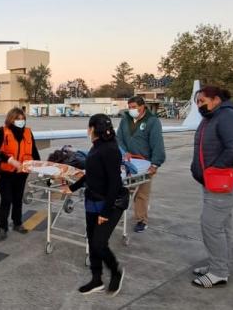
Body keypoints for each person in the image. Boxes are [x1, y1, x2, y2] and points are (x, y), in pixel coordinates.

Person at [62, 114, 128, 296]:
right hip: (92, 201)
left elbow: (115, 183)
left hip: (109, 204)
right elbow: (90, 173)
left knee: (99, 243)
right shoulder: (97, 146)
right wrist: (72, 187)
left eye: (88, 127)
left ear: (92, 129)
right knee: (92, 241)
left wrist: (105, 212)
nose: (87, 130)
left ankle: (115, 271)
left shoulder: (110, 149)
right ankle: (96, 279)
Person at [191, 86, 233, 288]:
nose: (199, 105)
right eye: (197, 102)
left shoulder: (227, 117)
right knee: (222, 226)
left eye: (202, 101)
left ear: (216, 99)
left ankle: (218, 272)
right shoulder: (212, 117)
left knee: (211, 225)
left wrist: (213, 170)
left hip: (224, 181)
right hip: (214, 182)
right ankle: (218, 265)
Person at [116, 96, 165, 233]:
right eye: (129, 107)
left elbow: (157, 143)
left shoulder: (152, 121)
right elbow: (119, 138)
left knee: (142, 193)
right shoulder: (125, 119)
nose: (131, 110)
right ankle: (118, 214)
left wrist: (155, 164)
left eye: (134, 107)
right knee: (124, 190)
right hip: (127, 161)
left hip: (144, 163)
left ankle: (141, 220)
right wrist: (124, 152)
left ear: (142, 106)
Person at [0, 107, 40, 241]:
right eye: (17, 119)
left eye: (22, 119)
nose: (21, 121)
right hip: (5, 173)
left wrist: (39, 166)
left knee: (18, 199)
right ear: (11, 119)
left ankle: (17, 223)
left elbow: (34, 151)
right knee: (6, 199)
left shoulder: (28, 132)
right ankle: (2, 227)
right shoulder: (3, 132)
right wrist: (10, 161)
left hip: (21, 173)